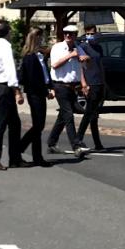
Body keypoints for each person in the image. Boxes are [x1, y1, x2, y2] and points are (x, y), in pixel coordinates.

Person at [46, 25, 88, 158]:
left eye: (71, 34)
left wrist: (86, 59)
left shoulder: (78, 48)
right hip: (60, 86)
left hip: (72, 87)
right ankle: (76, 145)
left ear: (75, 35)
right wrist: (71, 55)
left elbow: (82, 67)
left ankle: (51, 143)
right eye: (66, 33)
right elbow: (55, 65)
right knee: (69, 115)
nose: (68, 36)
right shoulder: (57, 47)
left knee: (63, 116)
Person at [0, 20, 23, 170]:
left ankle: (15, 158)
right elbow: (10, 69)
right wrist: (17, 90)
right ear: (9, 32)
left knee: (14, 124)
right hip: (5, 87)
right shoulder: (6, 47)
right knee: (1, 124)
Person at [16, 27, 53, 168]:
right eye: (40, 37)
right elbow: (32, 79)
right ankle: (19, 147)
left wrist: (50, 87)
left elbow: (45, 74)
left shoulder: (39, 55)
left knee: (39, 126)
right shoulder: (30, 57)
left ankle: (37, 157)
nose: (42, 39)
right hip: (35, 93)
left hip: (40, 92)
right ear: (35, 38)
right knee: (38, 125)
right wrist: (45, 91)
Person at [75, 23, 109, 151]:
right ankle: (78, 139)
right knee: (89, 113)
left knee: (94, 115)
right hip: (91, 83)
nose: (90, 36)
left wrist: (104, 83)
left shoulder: (98, 48)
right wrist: (84, 84)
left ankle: (97, 144)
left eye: (92, 33)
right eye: (88, 34)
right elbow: (80, 67)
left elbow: (100, 65)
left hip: (99, 82)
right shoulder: (83, 47)